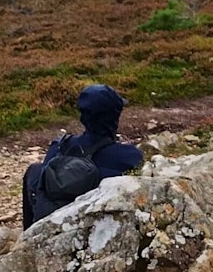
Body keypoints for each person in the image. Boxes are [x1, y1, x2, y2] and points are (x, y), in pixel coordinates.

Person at [22, 84, 144, 229]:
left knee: (35, 170)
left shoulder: (59, 147)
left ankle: (28, 232)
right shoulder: (130, 156)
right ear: (115, 117)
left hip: (50, 226)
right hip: (96, 229)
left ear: (82, 117)